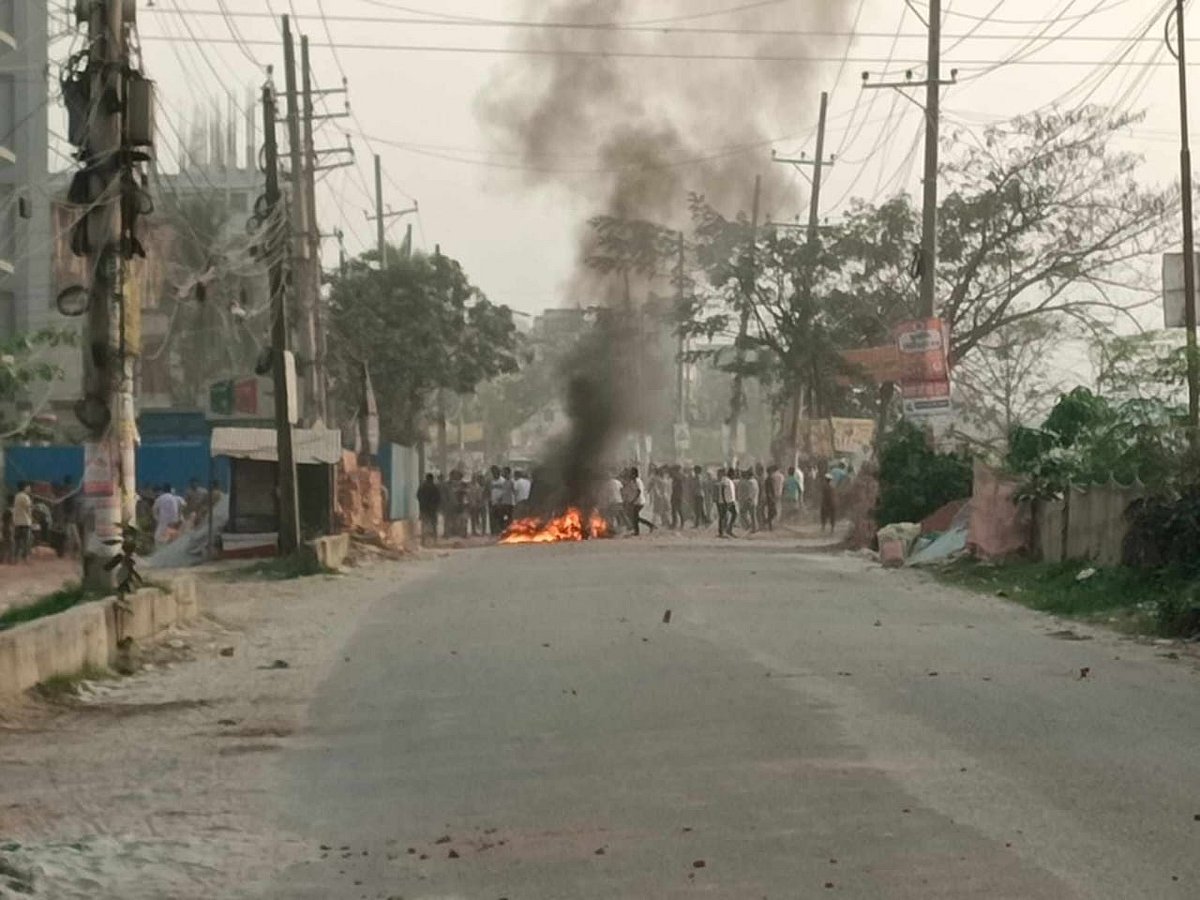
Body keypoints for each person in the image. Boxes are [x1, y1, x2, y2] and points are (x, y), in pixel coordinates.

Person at [623, 467, 655, 536]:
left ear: (634, 474)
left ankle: (640, 530)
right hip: (636, 501)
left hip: (639, 501)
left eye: (631, 473)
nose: (630, 474)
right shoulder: (633, 481)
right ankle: (649, 526)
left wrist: (633, 500)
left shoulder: (638, 481)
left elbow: (639, 491)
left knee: (635, 517)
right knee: (635, 517)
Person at [417, 473, 441, 546]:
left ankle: (423, 541)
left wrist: (422, 503)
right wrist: (436, 506)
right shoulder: (434, 487)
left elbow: (418, 496)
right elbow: (438, 498)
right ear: (432, 479)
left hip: (424, 508)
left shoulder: (422, 487)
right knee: (433, 524)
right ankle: (434, 540)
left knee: (424, 524)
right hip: (432, 509)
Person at [12, 483, 33, 563]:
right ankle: (25, 558)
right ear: (25, 488)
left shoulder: (16, 496)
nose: (30, 489)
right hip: (25, 522)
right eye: (28, 487)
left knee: (17, 541)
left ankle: (15, 558)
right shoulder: (26, 497)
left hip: (17, 522)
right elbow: (28, 509)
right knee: (26, 541)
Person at [718, 468, 738, 538]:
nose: (734, 475)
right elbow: (723, 490)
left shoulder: (729, 481)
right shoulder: (725, 480)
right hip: (725, 502)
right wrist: (724, 501)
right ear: (731, 473)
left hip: (730, 501)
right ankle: (721, 532)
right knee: (723, 516)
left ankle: (729, 530)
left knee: (734, 514)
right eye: (734, 474)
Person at [765, 464, 782, 532]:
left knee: (772, 511)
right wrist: (771, 497)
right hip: (771, 497)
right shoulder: (769, 479)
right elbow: (769, 490)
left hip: (771, 497)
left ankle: (769, 523)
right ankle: (769, 524)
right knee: (773, 511)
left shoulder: (769, 479)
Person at [669, 465, 685, 529]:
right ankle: (675, 523)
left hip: (678, 496)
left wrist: (680, 497)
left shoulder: (679, 479)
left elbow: (681, 489)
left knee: (679, 510)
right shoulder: (675, 479)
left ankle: (681, 523)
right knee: (674, 510)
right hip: (674, 496)